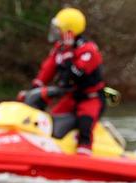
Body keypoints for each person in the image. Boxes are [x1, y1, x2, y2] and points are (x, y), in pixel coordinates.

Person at [20, 7, 105, 155]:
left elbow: (76, 74)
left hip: (91, 99)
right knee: (50, 122)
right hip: (71, 97)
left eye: (58, 29)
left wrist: (68, 56)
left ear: (69, 32)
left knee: (84, 124)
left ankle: (84, 152)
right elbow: (47, 70)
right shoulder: (59, 48)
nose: (55, 32)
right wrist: (33, 89)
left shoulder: (88, 50)